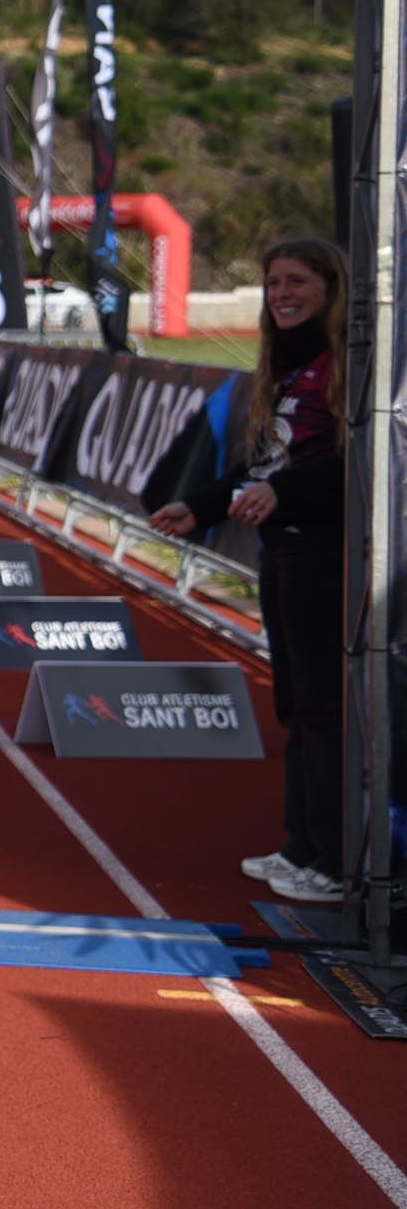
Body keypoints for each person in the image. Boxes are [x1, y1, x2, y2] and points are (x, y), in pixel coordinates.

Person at [152, 236, 350, 905]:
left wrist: (284, 493)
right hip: (282, 551)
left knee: (323, 706)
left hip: (327, 553)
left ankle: (336, 860)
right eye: (274, 283)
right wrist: (200, 505)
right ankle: (303, 844)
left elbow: (358, 461)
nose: (282, 294)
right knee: (294, 701)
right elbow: (262, 466)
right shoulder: (285, 364)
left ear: (330, 287)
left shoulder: (347, 362)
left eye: (297, 281)